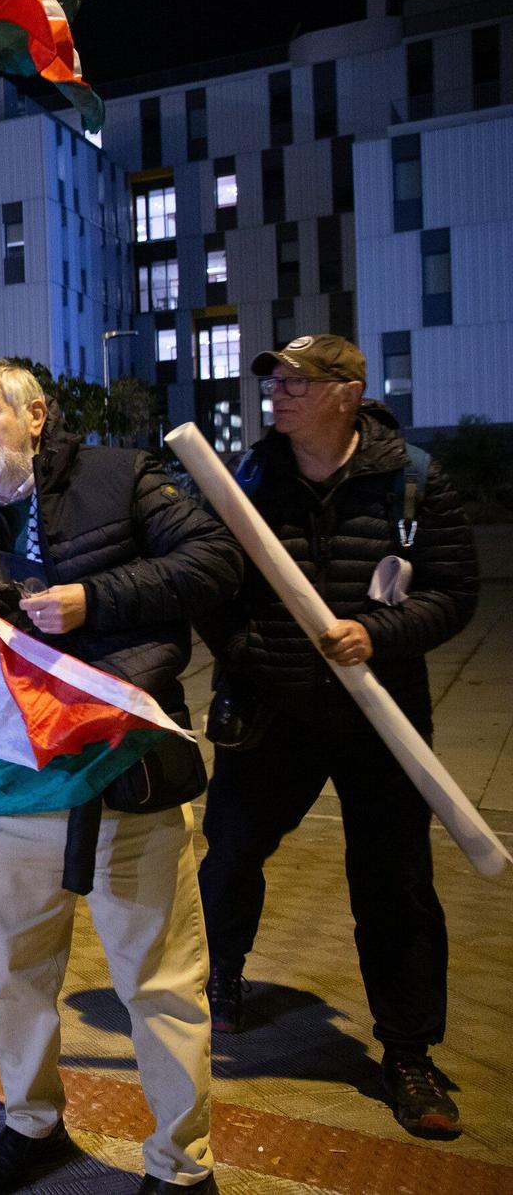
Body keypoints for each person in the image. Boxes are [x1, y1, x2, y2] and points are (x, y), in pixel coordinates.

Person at [0, 359, 240, 1195]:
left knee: (160, 983)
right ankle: (31, 1123)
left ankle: (180, 1164)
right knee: (14, 971)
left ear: (36, 415)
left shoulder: (119, 474)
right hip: (17, 783)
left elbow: (215, 563)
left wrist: (92, 598)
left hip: (124, 773)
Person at [196, 334, 478, 1140]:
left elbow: (456, 591)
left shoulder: (416, 482)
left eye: (297, 382)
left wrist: (379, 635)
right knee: (232, 853)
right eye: (274, 381)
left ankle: (409, 1052)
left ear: (348, 393)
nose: (277, 393)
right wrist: (251, 653)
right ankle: (222, 978)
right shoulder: (247, 479)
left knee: (395, 882)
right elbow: (212, 585)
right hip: (272, 712)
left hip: (378, 716)